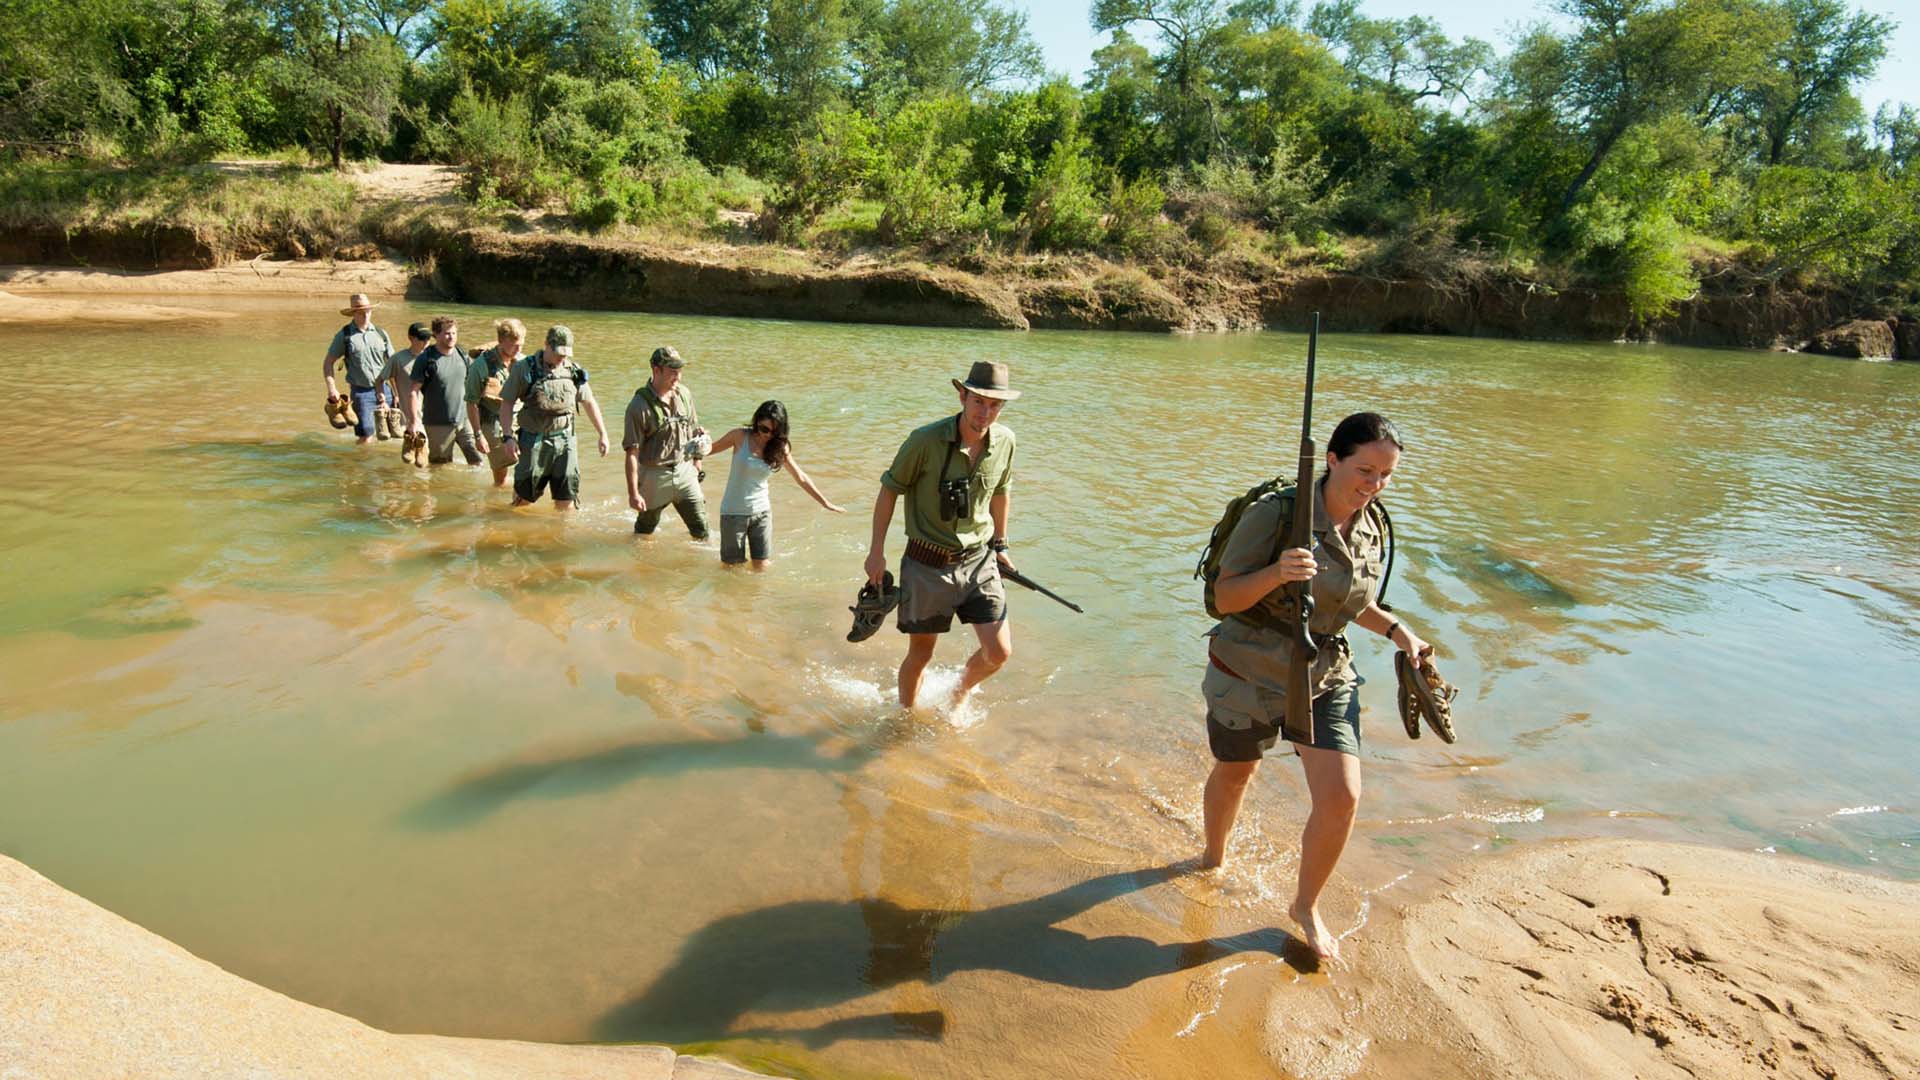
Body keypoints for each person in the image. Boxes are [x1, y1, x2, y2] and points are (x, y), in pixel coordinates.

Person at [1197, 411, 1431, 964]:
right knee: (1236, 775)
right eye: (1365, 470)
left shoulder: (1374, 525)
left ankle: (1305, 905)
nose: (1374, 485)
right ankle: (1211, 858)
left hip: (1324, 674)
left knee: (1343, 797)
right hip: (1247, 670)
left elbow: (1350, 603)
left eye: (1386, 475)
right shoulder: (1273, 516)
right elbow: (1225, 598)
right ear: (1332, 460)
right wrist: (1277, 572)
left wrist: (1402, 633)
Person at [862, 361, 1019, 711]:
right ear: (962, 395)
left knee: (999, 652)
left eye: (994, 405)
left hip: (979, 560)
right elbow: (889, 491)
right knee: (921, 654)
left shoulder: (1006, 441)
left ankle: (958, 692)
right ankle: (904, 719)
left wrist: (1002, 544)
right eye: (978, 401)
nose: (985, 412)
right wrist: (876, 553)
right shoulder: (924, 441)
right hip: (926, 563)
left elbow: (1001, 491)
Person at [707, 400, 844, 569]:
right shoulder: (739, 436)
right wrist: (699, 441)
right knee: (731, 569)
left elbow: (800, 476)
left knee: (762, 567)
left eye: (774, 432)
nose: (768, 435)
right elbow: (708, 450)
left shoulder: (779, 447)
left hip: (762, 514)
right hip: (733, 514)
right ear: (757, 422)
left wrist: (825, 502)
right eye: (764, 429)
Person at [498, 325, 610, 511]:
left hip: (566, 441)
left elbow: (589, 402)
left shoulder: (573, 371)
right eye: (558, 352)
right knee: (523, 499)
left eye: (566, 353)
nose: (562, 358)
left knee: (567, 498)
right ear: (546, 345)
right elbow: (507, 404)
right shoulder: (525, 369)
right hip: (533, 440)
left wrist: (602, 433)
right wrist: (508, 437)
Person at [623, 346, 711, 540]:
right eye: (672, 372)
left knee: (702, 532)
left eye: (679, 371)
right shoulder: (638, 406)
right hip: (655, 477)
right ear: (656, 370)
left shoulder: (685, 395)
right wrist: (633, 494)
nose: (678, 377)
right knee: (644, 533)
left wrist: (697, 462)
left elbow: (694, 430)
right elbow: (632, 453)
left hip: (685, 472)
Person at [402, 316, 483, 467]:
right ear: (436, 335)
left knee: (477, 462)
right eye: (447, 333)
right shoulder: (426, 359)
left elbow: (473, 385)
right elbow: (413, 392)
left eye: (454, 333)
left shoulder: (462, 354)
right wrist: (413, 422)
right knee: (440, 467)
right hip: (438, 423)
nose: (451, 337)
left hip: (463, 420)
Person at [321, 293, 394, 445]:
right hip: (361, 393)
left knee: (392, 433)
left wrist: (398, 393)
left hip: (385, 390)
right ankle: (361, 467)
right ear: (353, 313)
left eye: (368, 311)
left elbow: (393, 366)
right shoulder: (345, 336)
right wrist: (332, 389)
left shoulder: (381, 334)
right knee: (365, 436)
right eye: (361, 312)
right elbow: (328, 363)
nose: (365, 315)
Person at [467, 318, 525, 488]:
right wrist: (478, 436)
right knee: (502, 473)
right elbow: (471, 403)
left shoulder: (523, 361)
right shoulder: (480, 366)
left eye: (521, 344)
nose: (518, 349)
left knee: (527, 464)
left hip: (520, 419)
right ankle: (496, 500)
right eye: (514, 345)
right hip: (493, 422)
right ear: (500, 341)